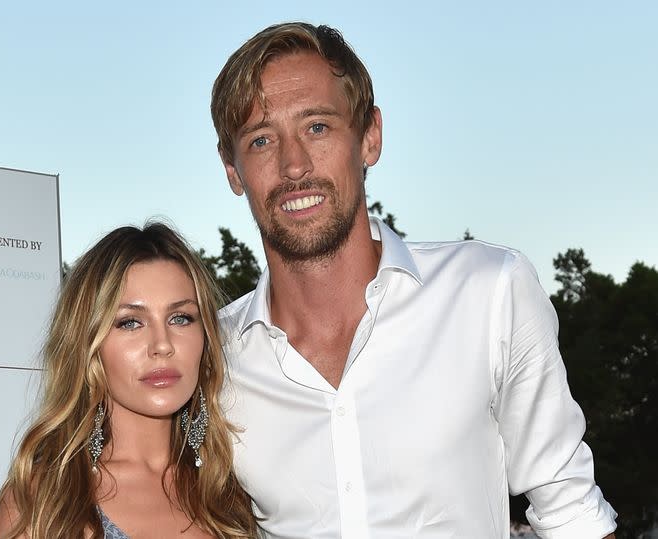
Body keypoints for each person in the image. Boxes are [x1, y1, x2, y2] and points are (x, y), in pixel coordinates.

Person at [210, 22, 618, 538]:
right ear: (232, 170)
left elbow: (572, 515)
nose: (294, 166)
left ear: (370, 137)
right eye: (262, 139)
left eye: (318, 127)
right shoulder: (212, 357)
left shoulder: (489, 291)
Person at [0, 223, 258, 539]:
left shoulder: (231, 493)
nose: (162, 344)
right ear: (90, 345)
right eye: (130, 322)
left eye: (181, 318)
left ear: (206, 338)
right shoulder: (44, 501)